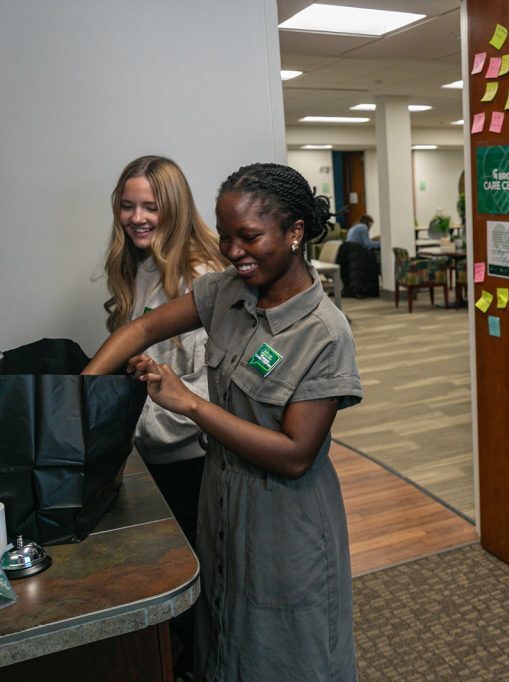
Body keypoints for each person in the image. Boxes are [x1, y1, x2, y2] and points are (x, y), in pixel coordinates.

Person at [84, 163, 362, 681]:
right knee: (224, 636)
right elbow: (140, 329)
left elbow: (295, 455)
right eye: (226, 235)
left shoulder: (324, 332)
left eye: (249, 237)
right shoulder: (225, 292)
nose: (233, 251)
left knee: (284, 652)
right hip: (222, 498)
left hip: (285, 519)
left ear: (295, 231)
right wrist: (80, 396)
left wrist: (190, 404)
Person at [102, 155, 226, 678]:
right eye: (127, 205)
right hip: (153, 461)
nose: (137, 217)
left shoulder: (202, 277)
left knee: (200, 599)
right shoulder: (140, 267)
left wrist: (130, 426)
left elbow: (212, 391)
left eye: (151, 207)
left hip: (192, 465)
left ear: (174, 208)